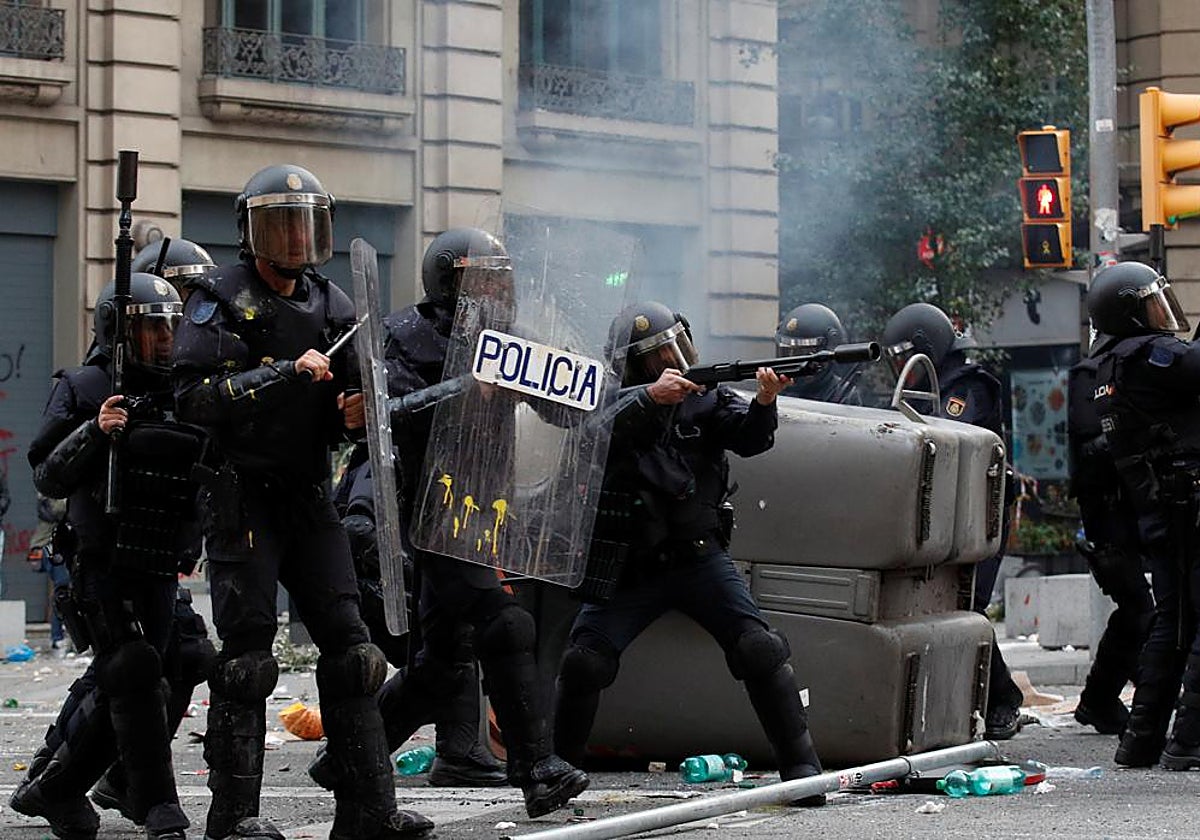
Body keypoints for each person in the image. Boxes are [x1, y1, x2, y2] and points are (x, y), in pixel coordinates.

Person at [172, 163, 432, 840]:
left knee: (355, 651)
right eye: (278, 224)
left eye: (304, 223)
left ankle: (368, 813)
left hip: (307, 494)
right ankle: (232, 821)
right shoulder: (217, 298)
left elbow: (356, 408)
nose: (293, 239)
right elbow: (193, 397)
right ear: (250, 232)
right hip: (241, 496)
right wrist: (285, 373)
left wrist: (350, 414)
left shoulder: (337, 305)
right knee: (248, 659)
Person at [309, 227, 589, 820]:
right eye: (487, 278)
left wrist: (587, 378)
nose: (501, 289)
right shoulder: (403, 335)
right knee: (505, 624)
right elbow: (388, 417)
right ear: (451, 281)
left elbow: (568, 410)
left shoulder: (508, 340)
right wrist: (469, 389)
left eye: (505, 278)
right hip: (427, 509)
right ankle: (536, 769)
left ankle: (350, 759)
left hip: (484, 510)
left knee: (439, 666)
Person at [552, 301, 826, 805]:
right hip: (630, 567)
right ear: (633, 367)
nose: (672, 361)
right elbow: (592, 431)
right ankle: (559, 775)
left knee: (759, 648)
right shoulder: (608, 401)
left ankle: (802, 769)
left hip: (698, 557)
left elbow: (751, 439)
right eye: (656, 356)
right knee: (584, 662)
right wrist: (649, 400)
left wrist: (766, 401)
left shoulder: (707, 397)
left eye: (677, 346)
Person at [11, 274, 202, 840]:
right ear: (120, 333)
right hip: (101, 559)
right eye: (152, 330)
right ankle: (158, 805)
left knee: (180, 662)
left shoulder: (182, 388)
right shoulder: (84, 386)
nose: (166, 341)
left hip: (160, 557)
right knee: (131, 668)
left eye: (171, 328)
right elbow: (46, 471)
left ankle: (61, 787)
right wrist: (96, 431)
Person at [880, 302, 1025, 740]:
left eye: (905, 357)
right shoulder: (933, 386)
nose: (902, 367)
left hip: (979, 516)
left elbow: (947, 435)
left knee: (969, 604)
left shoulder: (969, 387)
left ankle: (1003, 700)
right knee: (948, 605)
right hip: (949, 516)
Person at [330, 453, 507, 786]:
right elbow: (357, 530)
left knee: (452, 641)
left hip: (395, 585)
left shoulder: (445, 460)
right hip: (369, 592)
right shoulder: (387, 455)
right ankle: (355, 750)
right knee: (443, 654)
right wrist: (415, 578)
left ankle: (455, 751)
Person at [1085, 261, 1200, 769]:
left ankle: (1142, 739)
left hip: (1163, 511)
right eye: (1153, 300)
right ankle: (1190, 740)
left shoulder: (1112, 364)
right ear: (1129, 311)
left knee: (1172, 624)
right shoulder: (1151, 355)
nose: (1163, 310)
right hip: (1189, 505)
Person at [1066, 333, 1154, 735]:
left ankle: (1110, 697)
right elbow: (1094, 444)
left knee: (1147, 612)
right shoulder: (1090, 374)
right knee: (1139, 611)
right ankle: (1099, 700)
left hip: (1139, 511)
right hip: (1109, 515)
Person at [775, 303, 862, 404]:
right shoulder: (776, 389)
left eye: (803, 353)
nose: (792, 358)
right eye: (787, 352)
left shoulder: (844, 395)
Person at [26, 493, 69, 652]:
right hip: (47, 546)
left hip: (60, 547)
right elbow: (60, 510)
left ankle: (62, 636)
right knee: (62, 588)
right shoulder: (50, 490)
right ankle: (58, 638)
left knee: (68, 590)